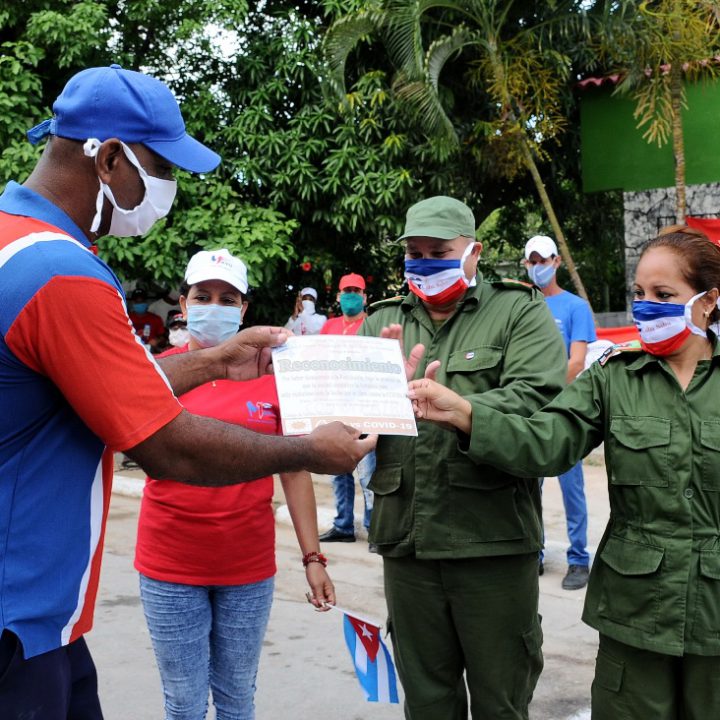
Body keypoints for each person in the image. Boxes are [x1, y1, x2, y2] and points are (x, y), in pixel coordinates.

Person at [0, 64, 373, 718]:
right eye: (161, 168)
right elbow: (170, 448)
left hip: (39, 615)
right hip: (17, 616)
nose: (169, 188)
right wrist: (308, 451)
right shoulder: (60, 274)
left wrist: (213, 363)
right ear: (109, 158)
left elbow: (102, 392)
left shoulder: (15, 240)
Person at [408, 226, 720, 720]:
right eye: (639, 294)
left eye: (664, 295)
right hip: (636, 610)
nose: (647, 308)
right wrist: (466, 414)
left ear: (708, 301)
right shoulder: (613, 378)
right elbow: (545, 442)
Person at [358, 196, 567, 719]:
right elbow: (350, 418)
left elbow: (538, 400)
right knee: (427, 701)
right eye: (416, 254)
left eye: (440, 252)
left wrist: (460, 409)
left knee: (500, 701)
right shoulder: (383, 322)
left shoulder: (518, 311)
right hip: (407, 542)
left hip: (490, 540)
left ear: (473, 253)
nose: (425, 264)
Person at [136, 249, 333, 719]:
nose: (215, 306)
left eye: (228, 299)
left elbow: (295, 467)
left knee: (237, 699)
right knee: (183, 704)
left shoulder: (270, 376)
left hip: (247, 567)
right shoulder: (158, 374)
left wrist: (313, 558)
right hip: (169, 566)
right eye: (203, 296)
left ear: (243, 311)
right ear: (182, 304)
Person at [524, 234, 596, 590]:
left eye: (544, 260)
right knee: (528, 489)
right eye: (532, 261)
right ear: (526, 265)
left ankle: (579, 559)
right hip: (531, 414)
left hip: (565, 413)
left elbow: (578, 361)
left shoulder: (574, 308)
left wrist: (543, 390)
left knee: (572, 490)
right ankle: (534, 553)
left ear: (556, 262)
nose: (538, 267)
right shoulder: (522, 306)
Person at [318, 273, 376, 549]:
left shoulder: (372, 324)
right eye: (346, 291)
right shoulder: (328, 326)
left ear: (364, 296)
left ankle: (373, 528)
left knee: (367, 473)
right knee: (337, 470)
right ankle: (343, 525)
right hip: (334, 408)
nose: (351, 295)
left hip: (365, 409)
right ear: (339, 295)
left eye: (356, 290)